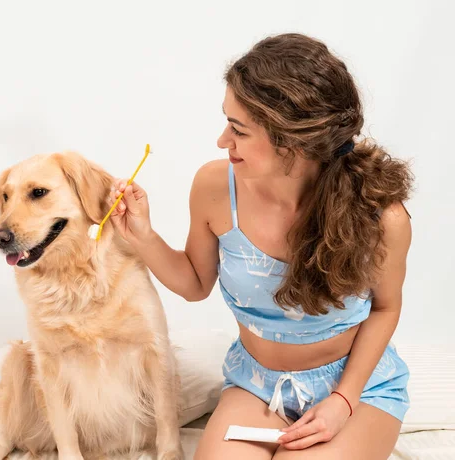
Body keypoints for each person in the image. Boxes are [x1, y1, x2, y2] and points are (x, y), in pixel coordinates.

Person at [109, 33, 413, 459]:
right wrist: (143, 235)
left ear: (293, 141)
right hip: (256, 382)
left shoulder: (382, 216)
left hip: (355, 388)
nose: (221, 140)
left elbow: (385, 308)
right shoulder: (215, 187)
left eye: (238, 129)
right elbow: (195, 284)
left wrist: (343, 402)